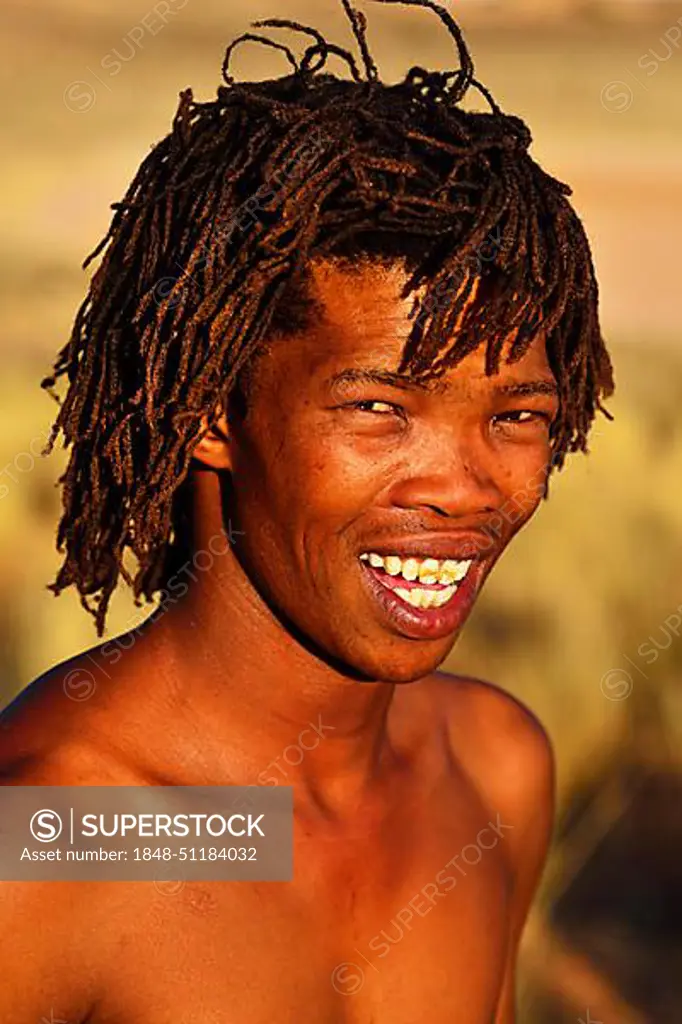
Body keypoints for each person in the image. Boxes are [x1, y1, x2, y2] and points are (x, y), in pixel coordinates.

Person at [0, 1, 614, 1020]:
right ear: (209, 411)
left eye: (517, 415)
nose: (463, 486)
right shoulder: (56, 837)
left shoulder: (490, 772)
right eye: (379, 408)